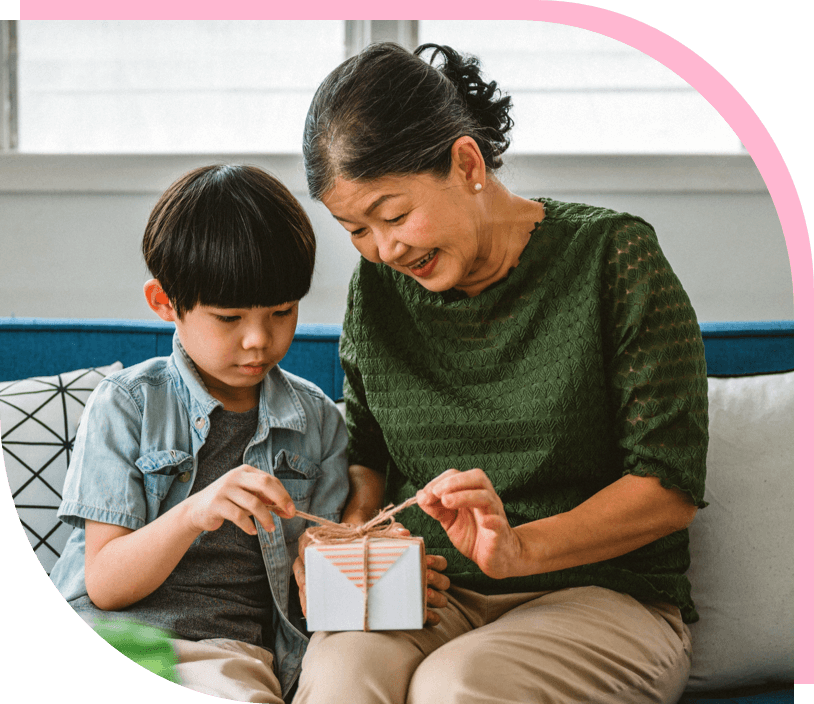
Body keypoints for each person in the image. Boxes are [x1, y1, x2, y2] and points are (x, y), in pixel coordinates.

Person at [293, 42, 709, 704]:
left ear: (465, 162)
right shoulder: (376, 291)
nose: (385, 249)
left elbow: (669, 486)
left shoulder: (612, 257)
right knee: (340, 679)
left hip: (602, 598)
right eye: (356, 230)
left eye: (395, 215)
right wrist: (344, 544)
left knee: (457, 688)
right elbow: (366, 454)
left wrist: (519, 549)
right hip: (428, 591)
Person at [49, 164, 349, 703]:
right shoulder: (126, 406)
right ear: (165, 303)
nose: (259, 340)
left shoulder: (318, 420)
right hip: (113, 632)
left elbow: (319, 588)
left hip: (227, 654)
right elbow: (107, 584)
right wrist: (194, 511)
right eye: (229, 318)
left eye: (282, 311)